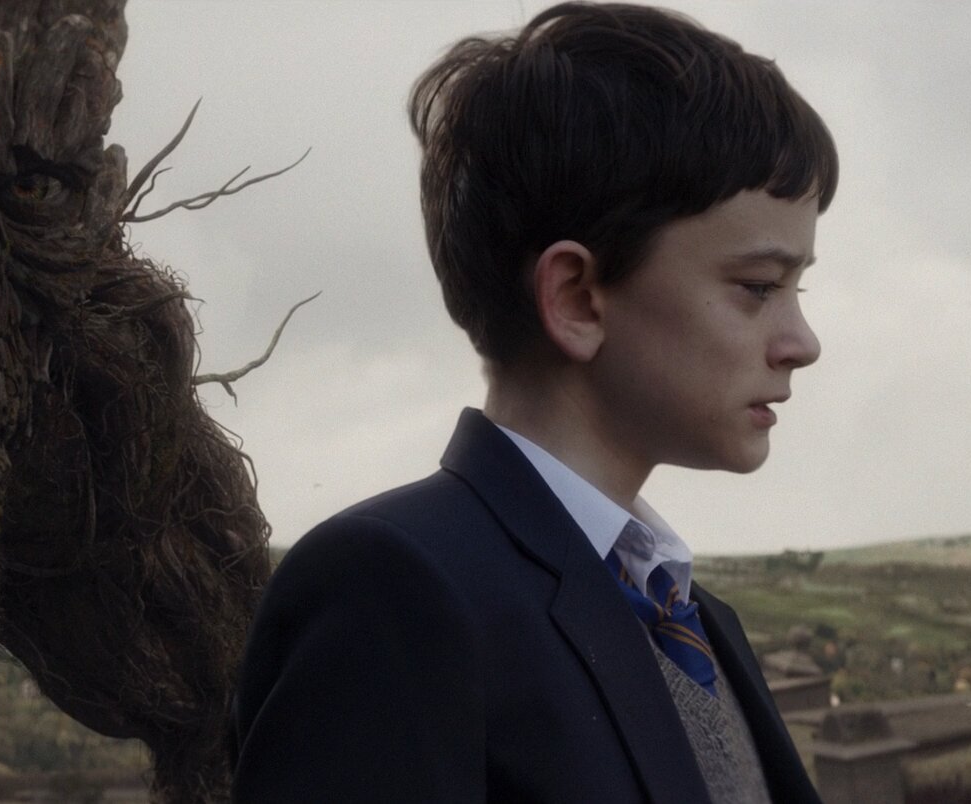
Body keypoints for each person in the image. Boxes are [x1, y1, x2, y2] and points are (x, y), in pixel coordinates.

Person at [232, 3, 836, 802]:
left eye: (798, 289)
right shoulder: (391, 591)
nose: (802, 342)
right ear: (577, 298)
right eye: (758, 287)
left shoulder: (694, 618)